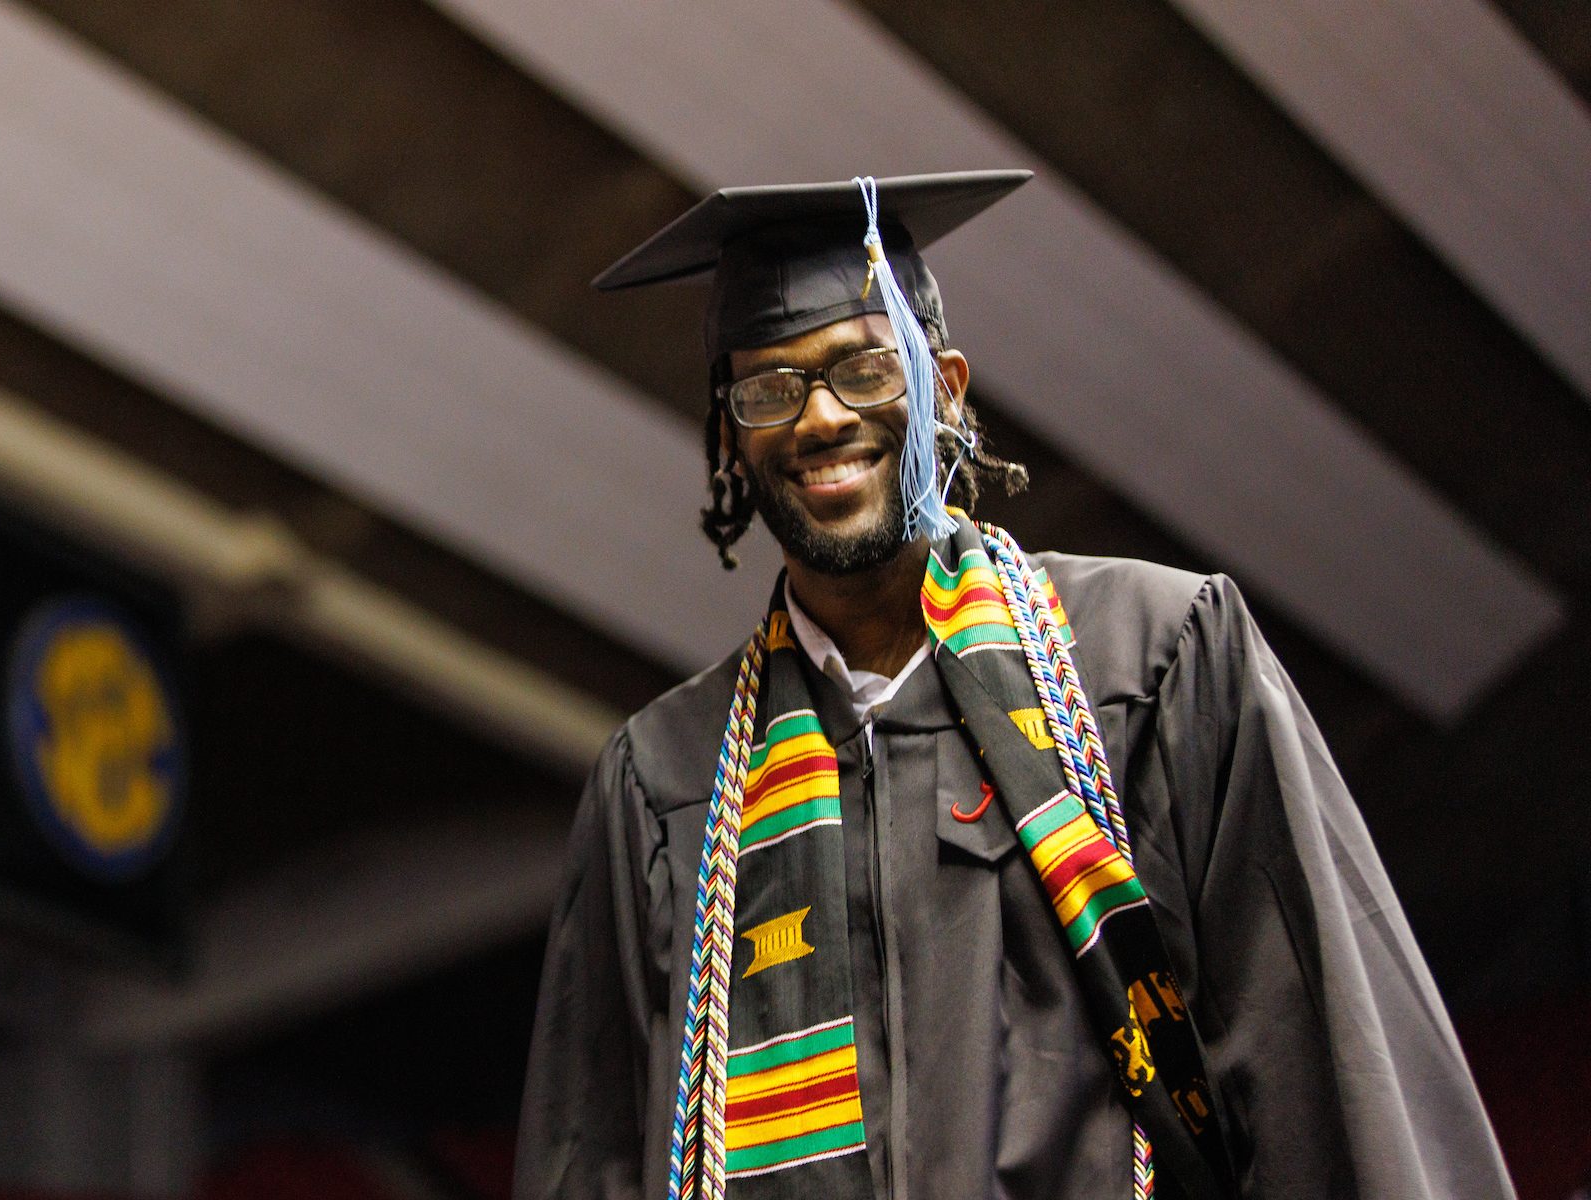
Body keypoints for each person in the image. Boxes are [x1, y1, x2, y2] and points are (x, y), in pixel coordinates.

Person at [514, 172, 1513, 1200]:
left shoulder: (1151, 662)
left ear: (944, 387)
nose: (818, 418)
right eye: (767, 389)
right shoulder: (663, 786)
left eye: (862, 369)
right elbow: (591, 1164)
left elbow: (1325, 1067)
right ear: (730, 434)